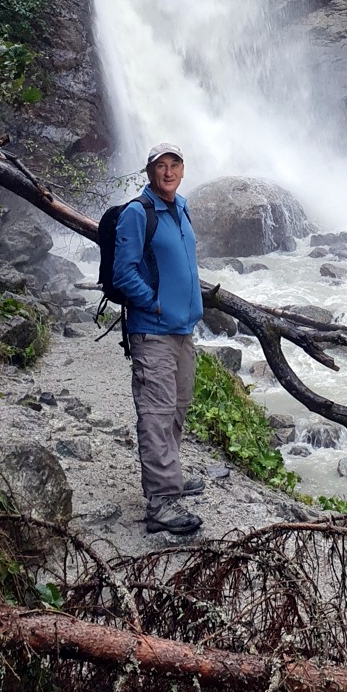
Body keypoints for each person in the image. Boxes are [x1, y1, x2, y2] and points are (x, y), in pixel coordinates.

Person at [113, 142, 205, 535]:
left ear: (183, 169)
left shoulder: (180, 207)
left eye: (174, 165)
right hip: (153, 331)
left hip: (183, 330)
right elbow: (123, 272)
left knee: (177, 408)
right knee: (156, 413)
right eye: (160, 166)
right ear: (149, 172)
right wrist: (155, 305)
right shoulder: (138, 213)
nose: (168, 172)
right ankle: (161, 503)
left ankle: (170, 477)